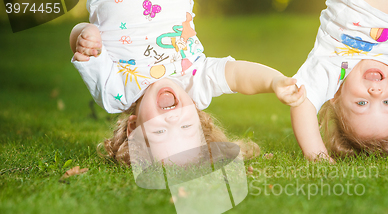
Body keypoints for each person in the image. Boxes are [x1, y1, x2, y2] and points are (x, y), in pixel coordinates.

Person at [70, 0, 306, 164]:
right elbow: (235, 75)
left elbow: (82, 47)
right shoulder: (193, 81)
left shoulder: (115, 94)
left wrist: (84, 35)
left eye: (160, 131)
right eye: (186, 127)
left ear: (134, 128)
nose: (173, 119)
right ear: (196, 113)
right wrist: (273, 81)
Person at [291, 0, 388, 161]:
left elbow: (302, 100)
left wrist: (316, 153)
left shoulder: (334, 64)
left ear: (336, 95)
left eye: (361, 103)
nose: (375, 93)